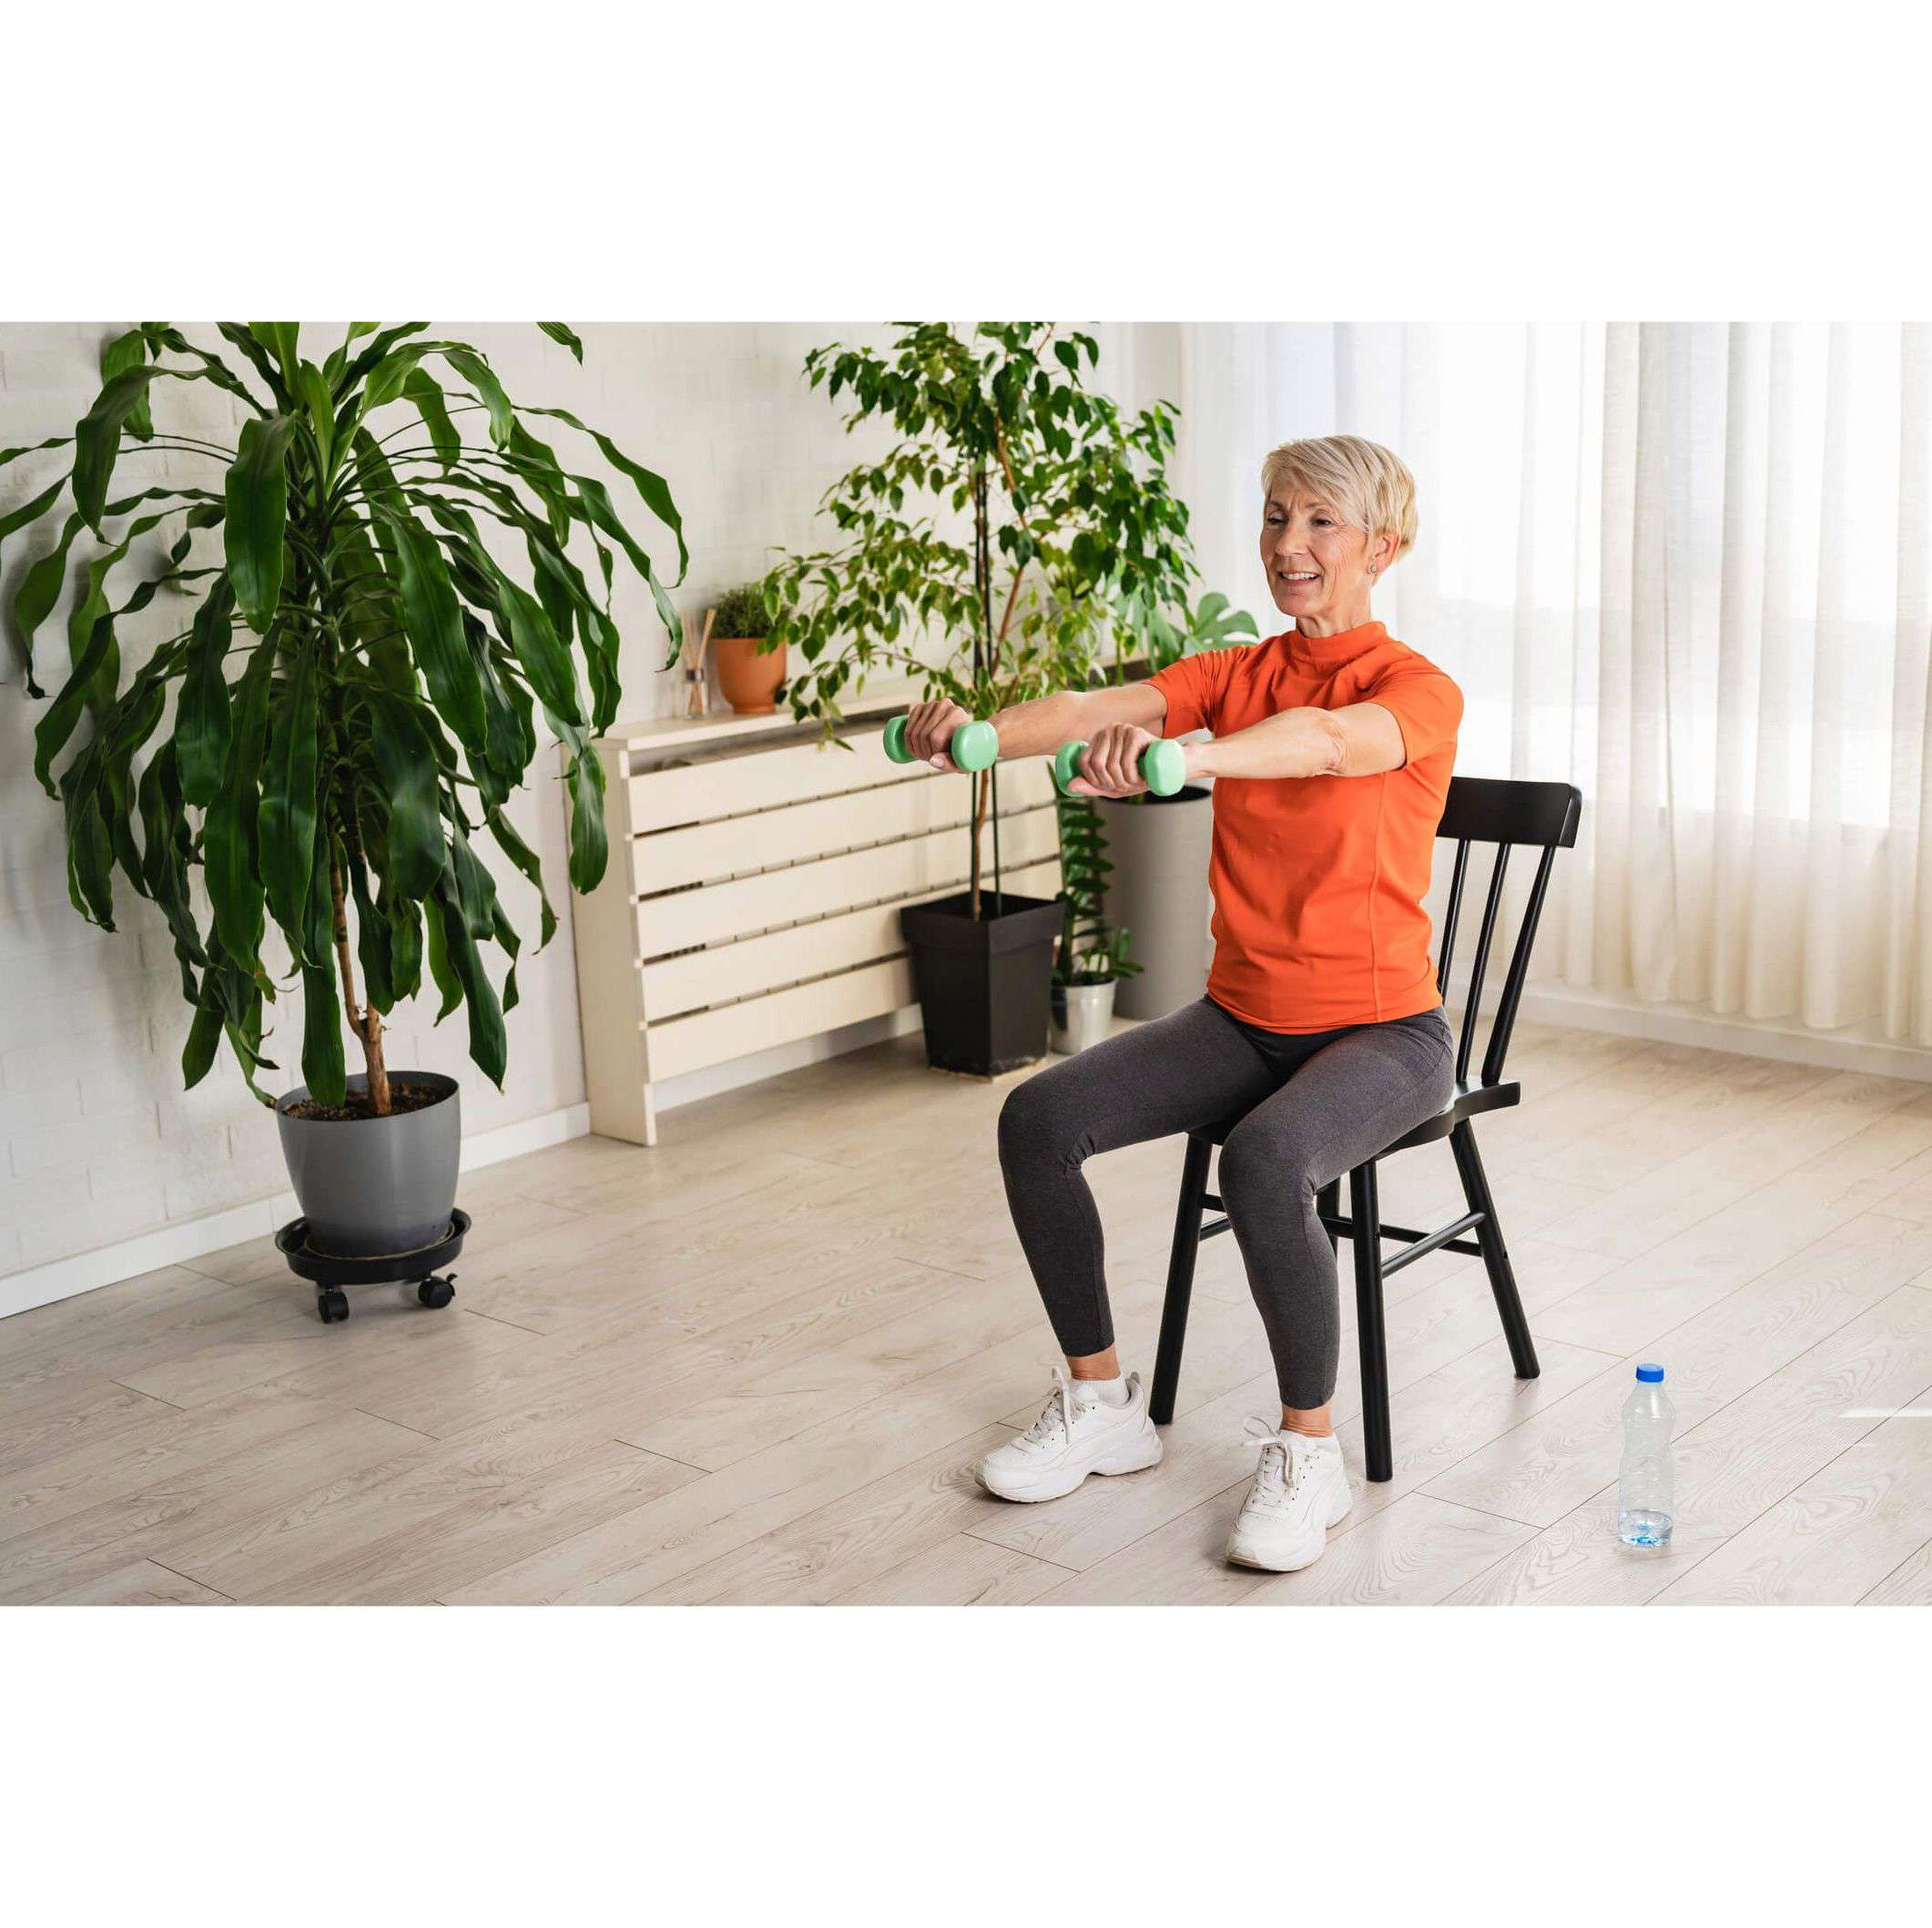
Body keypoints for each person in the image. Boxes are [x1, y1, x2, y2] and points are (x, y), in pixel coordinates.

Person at [897, 434, 1459, 1574]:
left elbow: (1324, 745)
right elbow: (1097, 705)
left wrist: (1190, 764)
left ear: (1381, 548)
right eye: (1272, 517)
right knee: (1037, 1120)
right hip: (1244, 1018)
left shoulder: (1413, 690)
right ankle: (1102, 1404)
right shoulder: (1233, 669)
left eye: (1317, 523)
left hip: (1385, 1032)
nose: (1286, 545)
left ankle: (1310, 1455)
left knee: (1264, 1160)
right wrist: (974, 740)